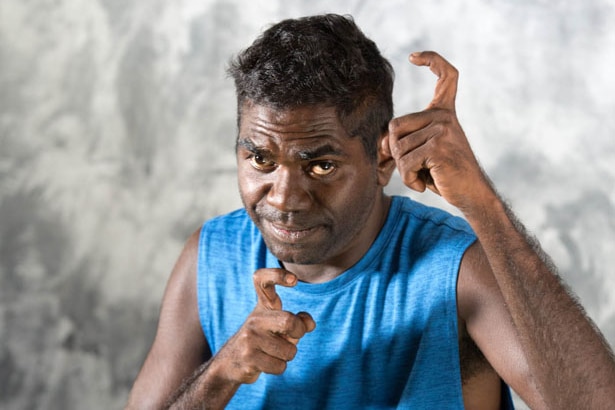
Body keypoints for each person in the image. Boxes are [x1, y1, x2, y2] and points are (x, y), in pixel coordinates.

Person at [126, 13, 615, 409]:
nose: (282, 198)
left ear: (382, 160)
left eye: (320, 165)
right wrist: (220, 375)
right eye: (260, 159)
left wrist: (482, 203)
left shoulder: (457, 268)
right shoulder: (211, 257)